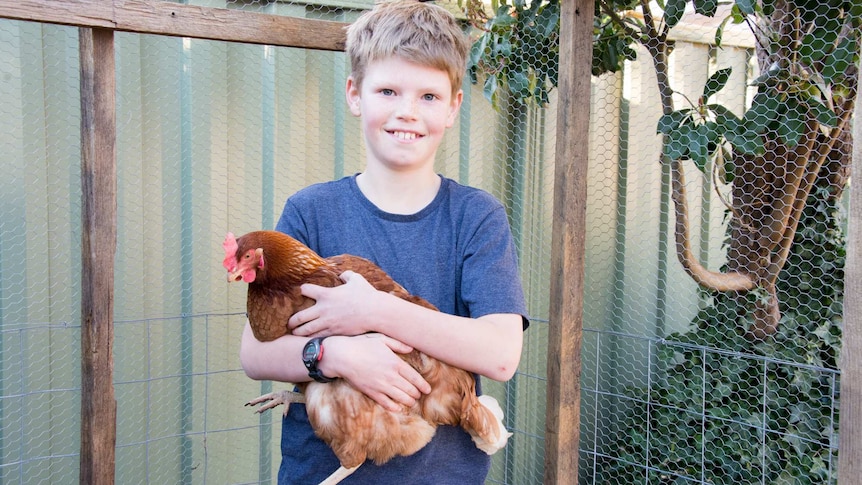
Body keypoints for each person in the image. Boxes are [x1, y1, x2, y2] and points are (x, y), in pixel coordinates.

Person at [239, 1, 528, 483]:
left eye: (429, 97)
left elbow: (500, 354)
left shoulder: (477, 218)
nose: (406, 112)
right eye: (388, 90)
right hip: (318, 469)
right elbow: (255, 353)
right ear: (355, 94)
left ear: (454, 106)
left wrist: (375, 313)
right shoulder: (311, 211)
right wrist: (334, 355)